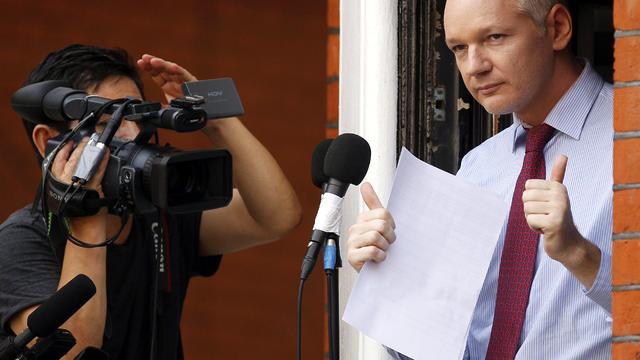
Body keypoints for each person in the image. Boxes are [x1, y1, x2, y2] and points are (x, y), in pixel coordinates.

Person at [0, 44, 302, 359]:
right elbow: (74, 352)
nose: (132, 135)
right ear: (49, 142)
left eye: (136, 117)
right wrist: (87, 214)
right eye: (108, 124)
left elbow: (277, 216)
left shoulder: (158, 210)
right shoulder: (20, 241)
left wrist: (216, 123)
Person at [347, 0, 611, 358]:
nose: (474, 67)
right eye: (459, 48)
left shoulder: (629, 139)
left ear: (558, 28)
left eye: (495, 37)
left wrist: (578, 253)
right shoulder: (480, 167)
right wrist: (391, 287)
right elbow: (452, 349)